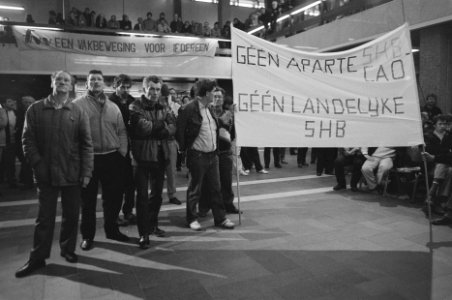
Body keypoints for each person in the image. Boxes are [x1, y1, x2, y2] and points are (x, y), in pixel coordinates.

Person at [15, 70, 93, 278]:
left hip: (72, 173)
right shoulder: (36, 109)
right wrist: (38, 165)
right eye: (58, 79)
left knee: (71, 215)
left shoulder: (77, 112)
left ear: (71, 85)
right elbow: (27, 141)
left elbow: (86, 144)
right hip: (46, 173)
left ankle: (68, 249)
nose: (62, 83)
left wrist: (86, 172)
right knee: (44, 218)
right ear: (52, 83)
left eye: (66, 80)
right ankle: (37, 258)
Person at [74, 70, 129, 251]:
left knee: (113, 198)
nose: (96, 82)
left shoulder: (113, 106)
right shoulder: (77, 105)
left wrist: (122, 151)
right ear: (86, 84)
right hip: (89, 158)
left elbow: (121, 131)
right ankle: (88, 236)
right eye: (92, 79)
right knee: (87, 200)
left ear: (104, 83)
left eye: (99, 79)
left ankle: (112, 230)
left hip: (112, 158)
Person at [176, 79, 235, 231]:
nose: (216, 94)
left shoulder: (209, 108)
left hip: (212, 155)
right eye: (213, 91)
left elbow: (214, 126)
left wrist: (227, 116)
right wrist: (184, 152)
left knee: (216, 188)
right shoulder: (188, 108)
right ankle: (192, 219)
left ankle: (220, 218)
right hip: (197, 156)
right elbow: (180, 131)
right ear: (207, 93)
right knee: (195, 189)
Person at [129, 75, 176, 248]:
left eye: (158, 89)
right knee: (141, 198)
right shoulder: (135, 106)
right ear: (144, 89)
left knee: (156, 196)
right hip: (141, 158)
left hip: (160, 156)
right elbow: (142, 127)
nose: (155, 92)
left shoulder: (165, 105)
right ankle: (144, 233)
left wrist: (158, 127)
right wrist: (161, 125)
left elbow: (173, 127)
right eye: (151, 89)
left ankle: (153, 225)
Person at [109, 74, 137, 226]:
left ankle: (128, 211)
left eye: (127, 87)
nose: (125, 90)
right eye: (122, 87)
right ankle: (114, 214)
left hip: (131, 147)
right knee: (116, 184)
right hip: (115, 146)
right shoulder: (108, 102)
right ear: (115, 86)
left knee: (130, 183)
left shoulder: (133, 101)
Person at [422, 114, 452, 215]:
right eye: (440, 123)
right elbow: (430, 151)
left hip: (446, 164)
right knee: (445, 168)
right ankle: (439, 201)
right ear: (434, 125)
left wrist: (442, 154)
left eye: (445, 124)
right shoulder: (427, 135)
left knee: (448, 169)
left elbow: (447, 155)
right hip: (431, 165)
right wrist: (445, 153)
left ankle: (431, 196)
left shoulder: (449, 136)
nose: (443, 126)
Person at [161, 86, 182, 205]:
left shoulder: (176, 107)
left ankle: (172, 194)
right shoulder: (156, 106)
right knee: (158, 172)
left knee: (171, 171)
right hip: (159, 141)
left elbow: (176, 124)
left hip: (170, 141)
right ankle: (156, 195)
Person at [16, 96, 36, 189]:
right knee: (25, 162)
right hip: (21, 141)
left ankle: (28, 181)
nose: (28, 104)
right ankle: (26, 180)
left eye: (30, 102)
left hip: (33, 141)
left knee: (29, 162)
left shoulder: (35, 113)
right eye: (26, 102)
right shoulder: (19, 114)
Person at [1, 98, 18, 188]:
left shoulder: (16, 112)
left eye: (13, 101)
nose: (12, 103)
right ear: (4, 104)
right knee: (4, 162)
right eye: (9, 101)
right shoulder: (2, 113)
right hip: (4, 141)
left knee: (11, 162)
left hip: (13, 141)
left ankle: (12, 180)